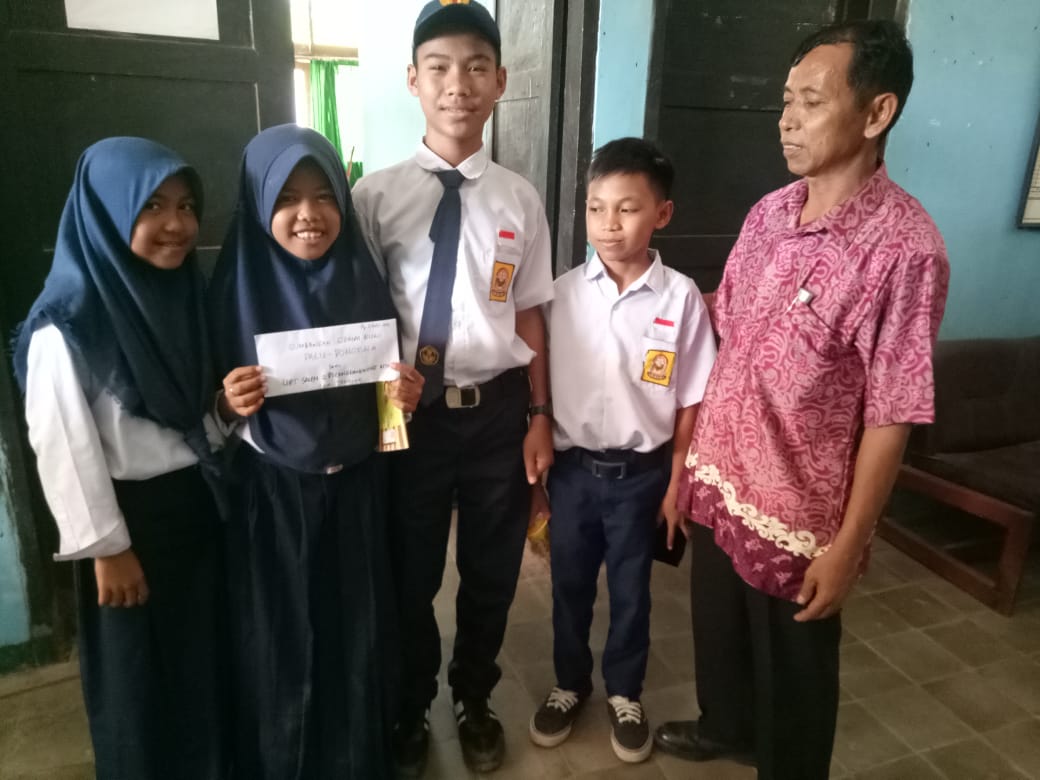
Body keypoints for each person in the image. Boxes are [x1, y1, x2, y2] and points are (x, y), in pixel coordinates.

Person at [653, 20, 950, 780]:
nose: (787, 119)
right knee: (719, 637)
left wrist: (848, 546)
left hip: (796, 516)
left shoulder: (905, 250)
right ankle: (726, 727)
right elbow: (723, 323)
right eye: (786, 101)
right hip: (719, 476)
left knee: (795, 673)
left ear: (876, 113)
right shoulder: (769, 214)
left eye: (811, 102)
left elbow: (893, 412)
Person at [351, 0, 555, 773]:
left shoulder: (518, 198)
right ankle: (410, 704)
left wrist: (540, 414)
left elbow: (530, 312)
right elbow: (363, 316)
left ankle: (474, 697)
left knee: (492, 572)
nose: (457, 85)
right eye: (438, 68)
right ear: (413, 79)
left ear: (500, 81)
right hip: (410, 417)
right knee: (409, 572)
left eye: (475, 67)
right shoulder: (374, 197)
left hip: (498, 412)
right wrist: (383, 410)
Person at [210, 124, 423, 780]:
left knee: (357, 629)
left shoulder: (363, 276)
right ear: (257, 204)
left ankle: (361, 755)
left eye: (325, 195)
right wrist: (226, 404)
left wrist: (402, 401)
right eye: (287, 198)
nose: (309, 214)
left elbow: (386, 410)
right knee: (284, 637)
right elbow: (202, 417)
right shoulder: (228, 291)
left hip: (359, 487)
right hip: (273, 494)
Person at [14, 137, 227, 780]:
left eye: (186, 206)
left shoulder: (185, 297)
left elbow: (194, 419)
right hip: (129, 527)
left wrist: (226, 410)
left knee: (204, 668)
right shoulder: (67, 324)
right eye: (152, 206)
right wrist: (107, 548)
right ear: (106, 212)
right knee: (140, 682)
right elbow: (62, 443)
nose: (177, 224)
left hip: (197, 510)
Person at [528, 137, 716, 763]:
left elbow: (692, 396)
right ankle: (569, 683)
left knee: (633, 591)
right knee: (569, 585)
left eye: (627, 209)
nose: (609, 224)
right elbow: (537, 380)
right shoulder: (560, 295)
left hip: (643, 476)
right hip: (573, 473)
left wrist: (677, 480)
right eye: (596, 207)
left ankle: (625, 692)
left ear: (662, 213)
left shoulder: (680, 298)